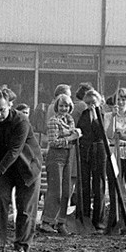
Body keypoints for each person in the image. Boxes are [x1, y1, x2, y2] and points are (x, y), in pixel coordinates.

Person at [0, 89, 43, 252]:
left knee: (25, 208)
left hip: (27, 166)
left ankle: (21, 246)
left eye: (2, 110)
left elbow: (15, 151)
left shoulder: (21, 121)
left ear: (10, 105)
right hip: (2, 168)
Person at [38, 94, 81, 235]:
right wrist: (71, 137)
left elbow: (73, 136)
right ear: (57, 106)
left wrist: (75, 134)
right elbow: (53, 142)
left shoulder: (69, 120)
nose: (64, 108)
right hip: (56, 156)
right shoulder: (53, 121)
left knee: (67, 191)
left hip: (69, 156)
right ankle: (47, 221)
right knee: (56, 191)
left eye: (67, 106)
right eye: (61, 106)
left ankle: (60, 221)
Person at [103, 88, 126, 234]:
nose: (121, 102)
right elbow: (109, 134)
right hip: (114, 154)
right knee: (114, 189)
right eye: (118, 99)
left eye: (124, 99)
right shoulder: (108, 116)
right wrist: (112, 117)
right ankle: (114, 223)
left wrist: (124, 135)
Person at [76, 88, 108, 231]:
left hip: (99, 150)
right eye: (88, 103)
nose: (91, 106)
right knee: (84, 184)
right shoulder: (83, 114)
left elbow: (100, 133)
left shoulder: (103, 115)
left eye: (93, 103)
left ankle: (98, 220)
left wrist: (95, 115)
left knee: (98, 185)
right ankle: (84, 217)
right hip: (85, 150)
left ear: (99, 102)